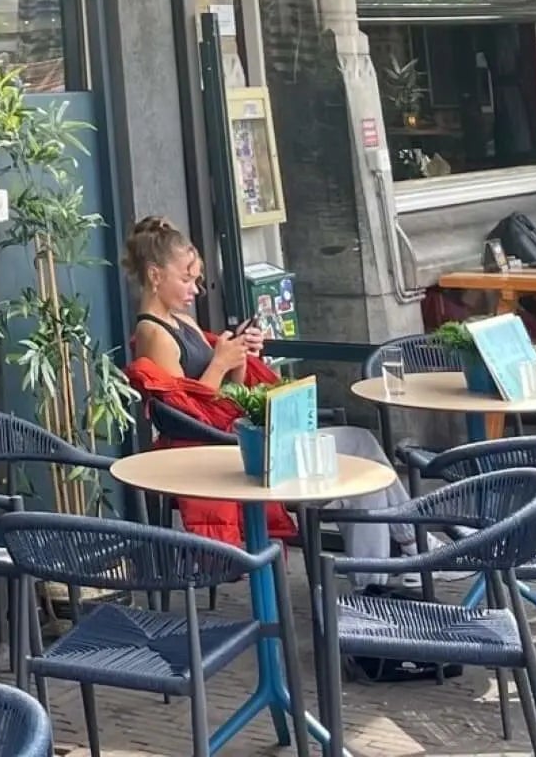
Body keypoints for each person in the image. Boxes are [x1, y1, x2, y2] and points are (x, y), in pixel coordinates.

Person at [123, 217, 412, 574]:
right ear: (155, 275)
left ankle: (386, 563)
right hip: (225, 449)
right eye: (186, 278)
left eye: (196, 279)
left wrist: (240, 356)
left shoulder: (183, 321)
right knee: (358, 450)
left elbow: (232, 393)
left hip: (236, 436)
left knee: (361, 448)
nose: (196, 289)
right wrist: (220, 361)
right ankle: (401, 553)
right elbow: (184, 412)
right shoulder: (154, 333)